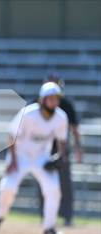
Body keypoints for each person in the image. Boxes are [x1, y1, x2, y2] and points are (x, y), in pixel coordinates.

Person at [0, 82, 68, 234]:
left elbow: (62, 140)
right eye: (50, 98)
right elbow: (11, 135)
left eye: (56, 98)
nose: (53, 101)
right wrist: (12, 161)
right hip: (20, 155)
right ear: (42, 99)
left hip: (41, 157)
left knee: (53, 189)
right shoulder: (28, 113)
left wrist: (60, 156)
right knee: (7, 188)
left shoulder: (61, 117)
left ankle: (49, 229)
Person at [37, 74, 82, 226]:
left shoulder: (65, 106)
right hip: (43, 151)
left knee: (65, 185)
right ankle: (45, 216)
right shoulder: (36, 107)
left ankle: (67, 216)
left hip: (61, 150)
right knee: (43, 184)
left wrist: (77, 150)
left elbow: (74, 129)